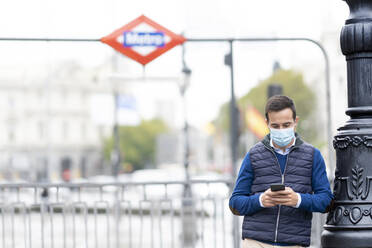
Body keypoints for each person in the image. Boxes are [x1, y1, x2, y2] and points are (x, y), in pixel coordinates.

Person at [229, 95, 333, 248]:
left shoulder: (313, 155)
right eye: (275, 126)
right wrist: (260, 200)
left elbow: (327, 202)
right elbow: (235, 203)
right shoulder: (253, 155)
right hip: (255, 242)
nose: (281, 130)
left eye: (286, 124)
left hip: (294, 243)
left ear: (295, 122)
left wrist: (297, 199)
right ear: (267, 123)